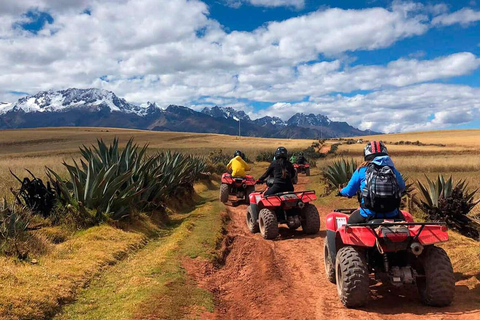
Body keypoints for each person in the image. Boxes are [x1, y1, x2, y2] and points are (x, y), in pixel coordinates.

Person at [337, 141, 405, 224]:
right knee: (405, 223)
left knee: (350, 223)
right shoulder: (393, 170)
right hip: (392, 215)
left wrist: (341, 192)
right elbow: (402, 188)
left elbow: (349, 191)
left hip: (368, 214)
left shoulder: (361, 170)